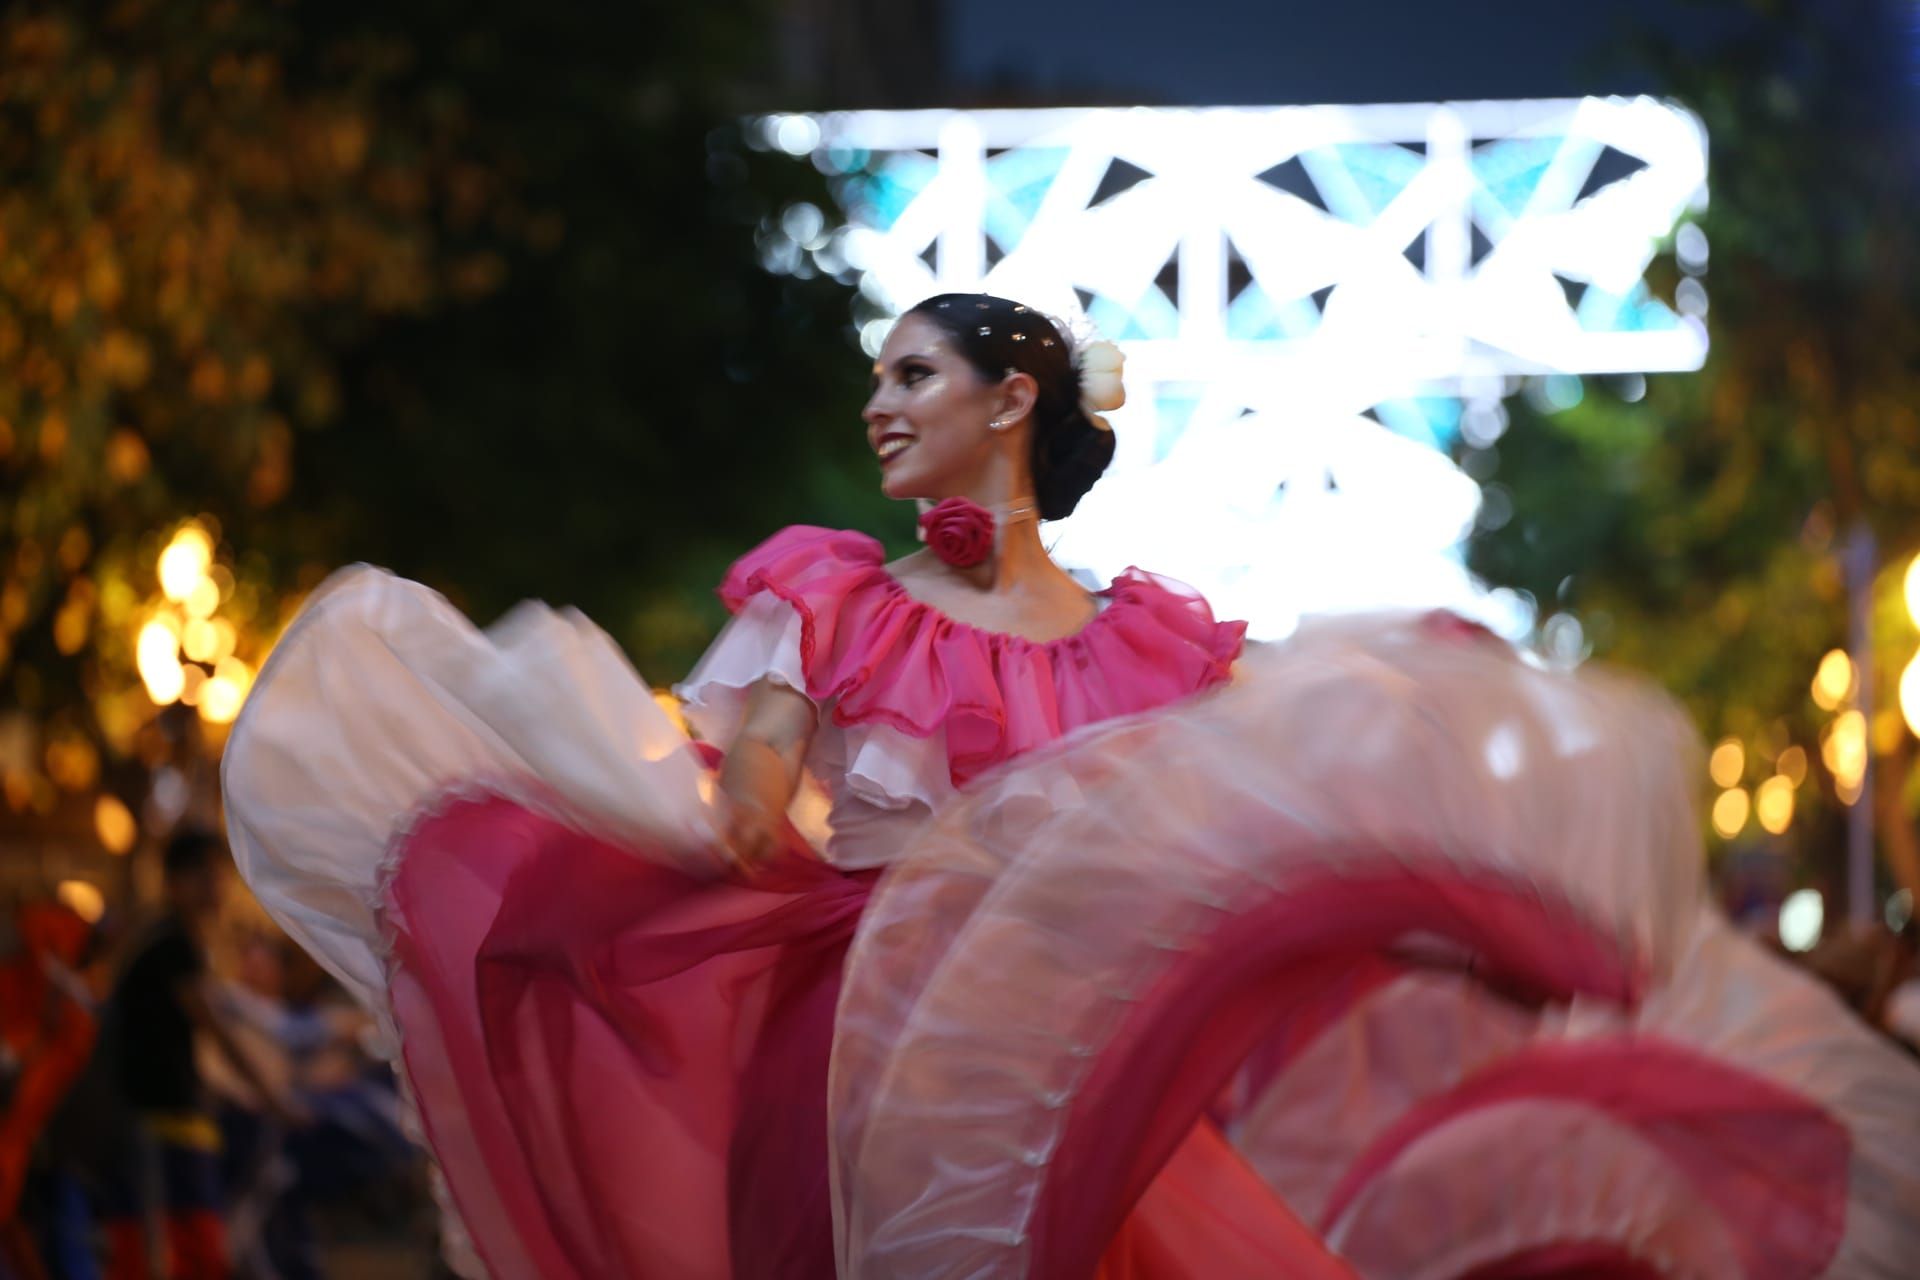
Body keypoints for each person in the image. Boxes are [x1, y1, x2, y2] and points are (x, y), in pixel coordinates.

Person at [223, 293, 1920, 1278]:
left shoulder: (1153, 642)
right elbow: (741, 836)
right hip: (856, 1061)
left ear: (1009, 397)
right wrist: (581, 792)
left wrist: (1446, 909)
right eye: (880, 380)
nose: (877, 406)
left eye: (911, 375)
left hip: (1062, 1069)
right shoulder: (824, 596)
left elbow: (1258, 832)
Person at [100, 831, 301, 1280]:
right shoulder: (172, 945)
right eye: (201, 874)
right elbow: (218, 1033)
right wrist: (274, 1099)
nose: (214, 885)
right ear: (173, 882)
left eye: (219, 873)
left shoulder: (162, 940)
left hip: (163, 1123)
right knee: (183, 1252)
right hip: (158, 1127)